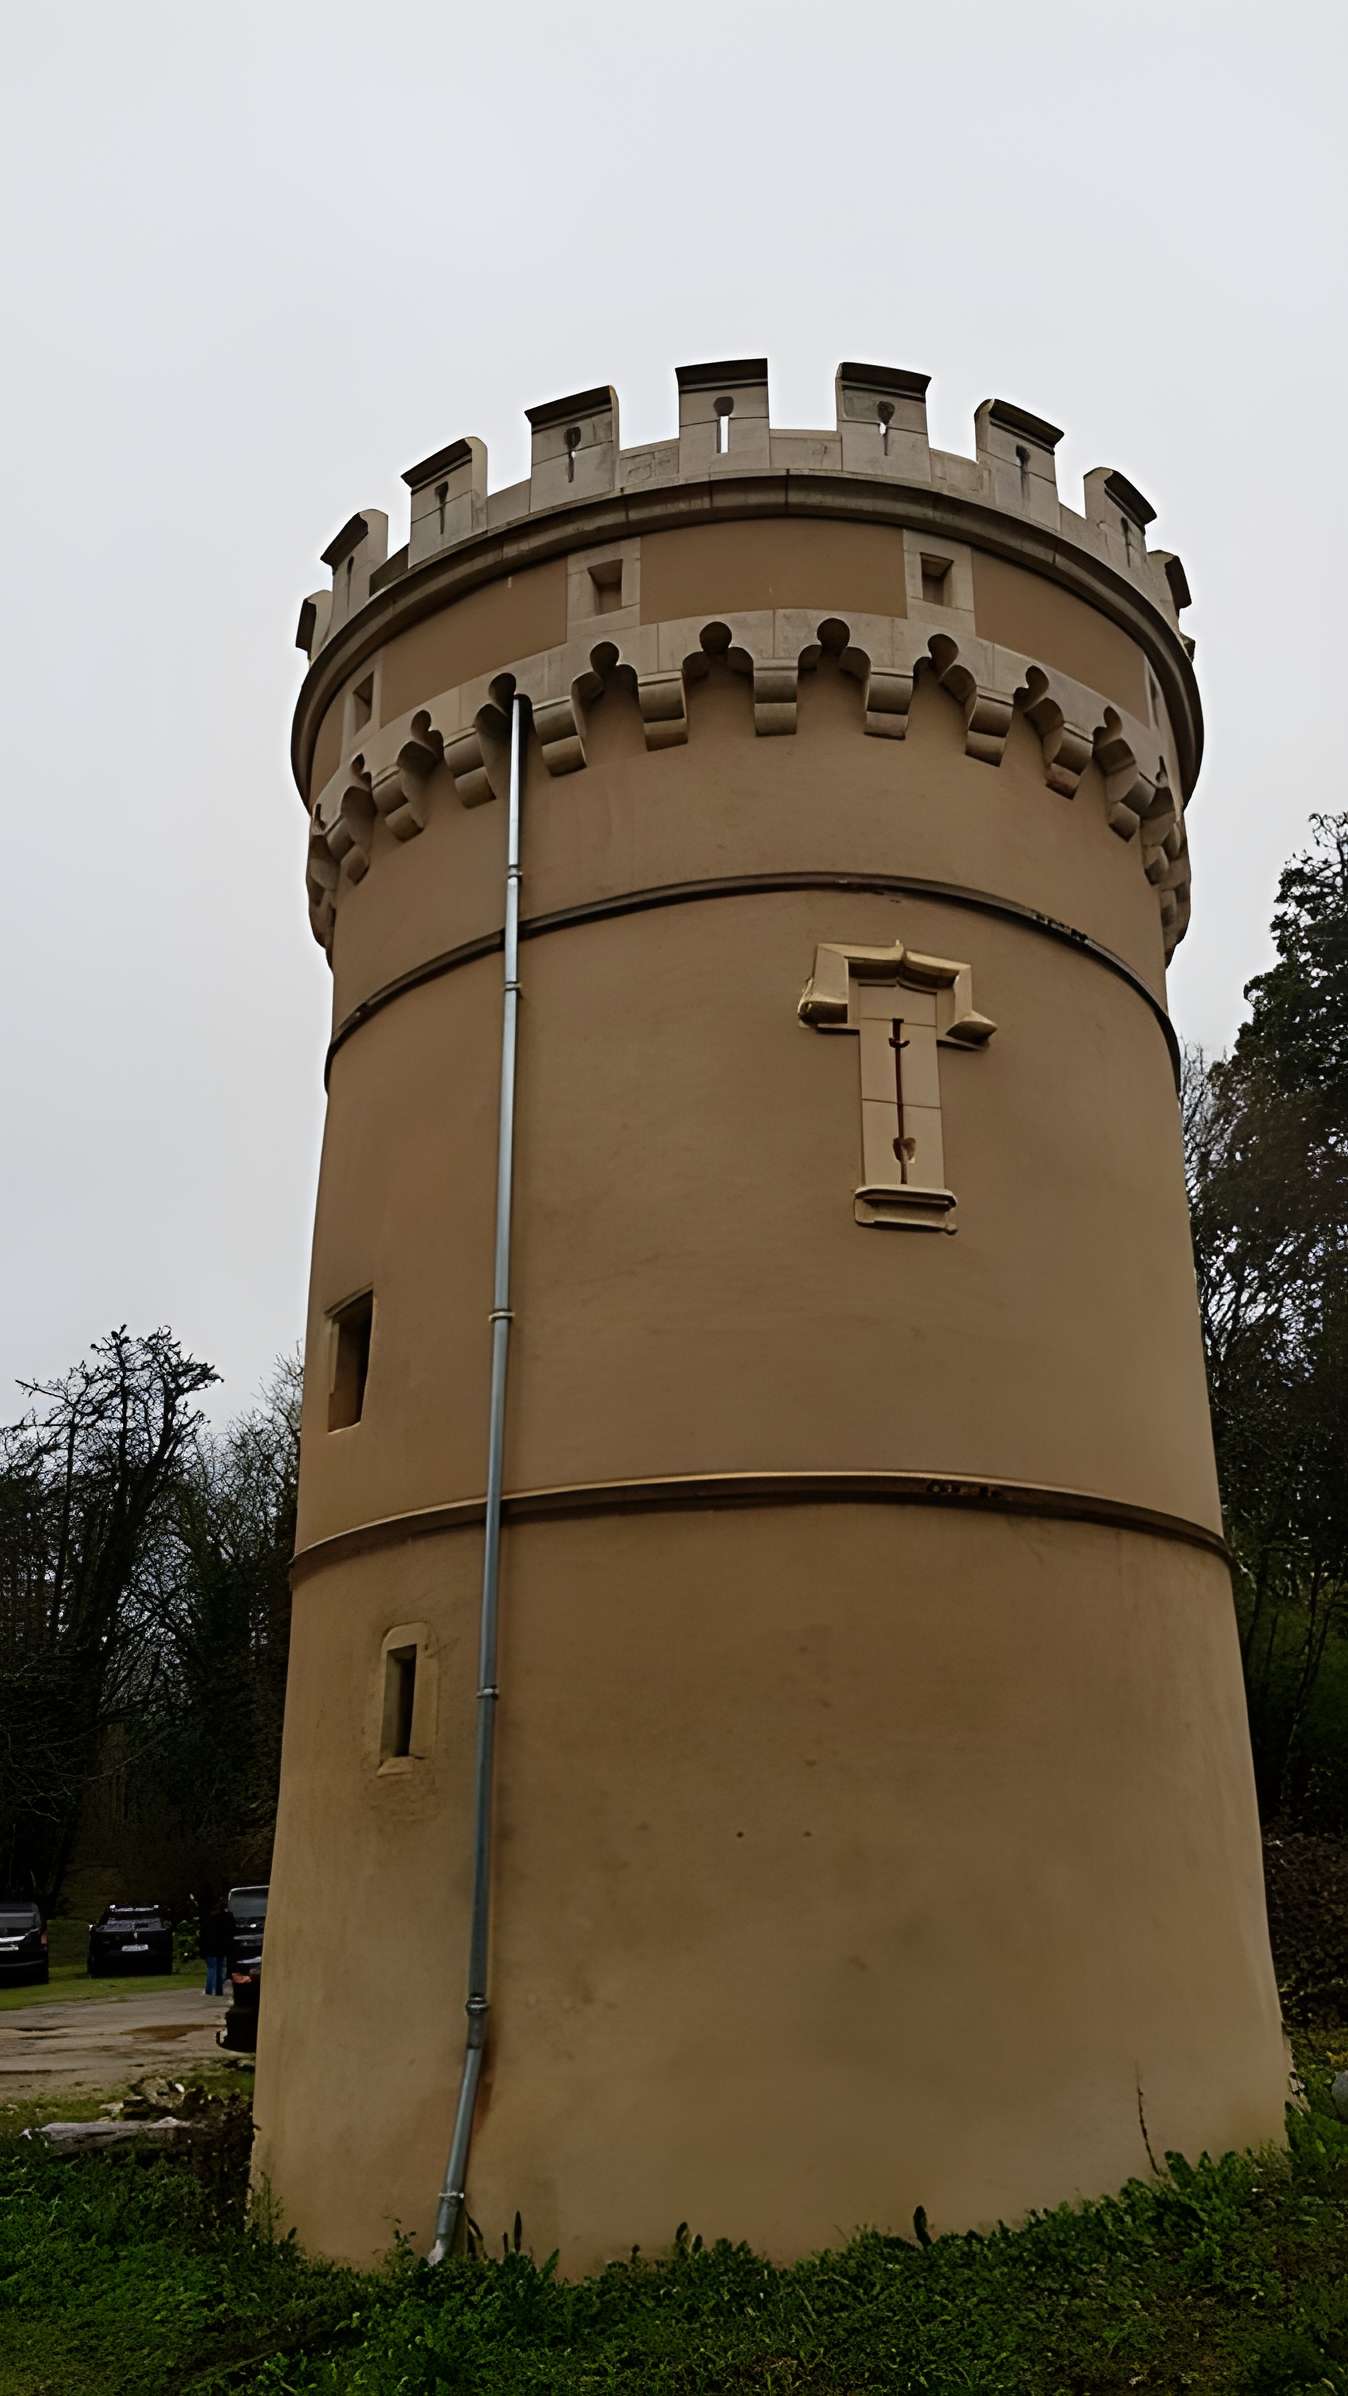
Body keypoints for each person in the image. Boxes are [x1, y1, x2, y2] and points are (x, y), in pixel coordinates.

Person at [199, 1895, 233, 1999]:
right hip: (220, 1946)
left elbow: (203, 1935)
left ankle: (209, 1989)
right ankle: (218, 1990)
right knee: (219, 1969)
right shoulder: (225, 1918)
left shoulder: (208, 1920)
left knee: (211, 1968)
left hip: (210, 1946)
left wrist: (202, 1949)